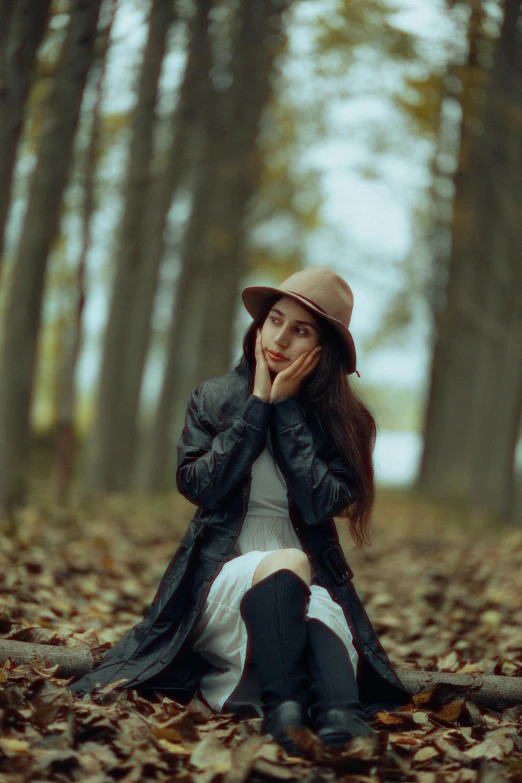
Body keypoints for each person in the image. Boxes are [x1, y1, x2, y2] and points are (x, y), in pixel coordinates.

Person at [69, 266, 411, 754]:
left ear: (324, 348)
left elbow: (321, 504)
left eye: (300, 330)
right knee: (289, 566)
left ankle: (339, 719)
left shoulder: (348, 421)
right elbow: (200, 487)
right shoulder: (214, 398)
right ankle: (285, 708)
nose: (281, 339)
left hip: (305, 576)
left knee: (322, 606)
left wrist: (287, 409)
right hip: (219, 575)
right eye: (275, 320)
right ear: (259, 324)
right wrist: (257, 406)